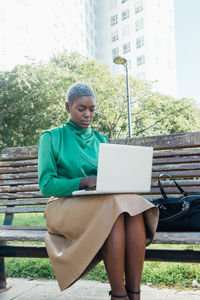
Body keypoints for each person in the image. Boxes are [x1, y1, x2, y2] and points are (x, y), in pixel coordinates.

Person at [38, 83, 159, 300]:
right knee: (114, 210)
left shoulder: (102, 139)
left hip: (102, 203)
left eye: (92, 109)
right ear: (67, 107)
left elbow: (111, 179)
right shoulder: (51, 137)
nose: (88, 114)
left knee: (133, 209)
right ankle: (119, 295)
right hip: (63, 206)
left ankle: (134, 293)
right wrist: (83, 181)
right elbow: (46, 185)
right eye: (81, 109)